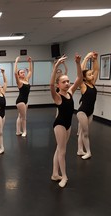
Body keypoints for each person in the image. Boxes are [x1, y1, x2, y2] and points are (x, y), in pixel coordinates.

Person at [50, 54, 83, 188]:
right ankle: (64, 176)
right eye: (63, 82)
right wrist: (56, 66)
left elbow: (80, 79)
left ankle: (54, 174)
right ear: (58, 84)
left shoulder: (70, 92)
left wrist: (78, 63)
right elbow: (51, 84)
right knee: (62, 151)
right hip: (60, 125)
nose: (67, 83)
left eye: (67, 81)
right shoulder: (57, 97)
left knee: (59, 149)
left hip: (68, 124)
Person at [77, 51, 99, 160]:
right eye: (89, 74)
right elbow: (80, 72)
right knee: (85, 133)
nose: (92, 75)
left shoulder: (92, 84)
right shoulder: (83, 85)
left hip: (90, 112)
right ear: (84, 78)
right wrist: (86, 58)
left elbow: (96, 70)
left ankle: (80, 149)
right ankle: (88, 152)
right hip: (82, 112)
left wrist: (95, 59)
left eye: (91, 74)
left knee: (82, 131)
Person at [14, 56, 33, 137]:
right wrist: (16, 61)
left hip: (26, 101)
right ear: (19, 75)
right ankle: (24, 131)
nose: (23, 73)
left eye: (23, 72)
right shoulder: (19, 82)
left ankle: (18, 131)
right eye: (21, 73)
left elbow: (31, 71)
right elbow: (15, 73)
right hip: (20, 101)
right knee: (24, 117)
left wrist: (30, 62)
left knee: (20, 116)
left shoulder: (26, 80)